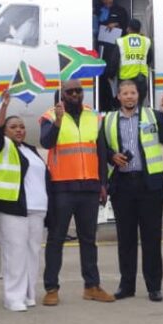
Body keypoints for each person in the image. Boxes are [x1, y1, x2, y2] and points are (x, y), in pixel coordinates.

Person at [39, 79, 116, 306]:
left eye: (79, 91)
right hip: (62, 187)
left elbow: (100, 151)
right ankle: (51, 288)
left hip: (89, 187)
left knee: (89, 240)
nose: (75, 94)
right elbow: (45, 142)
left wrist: (103, 183)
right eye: (70, 91)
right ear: (62, 94)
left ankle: (91, 286)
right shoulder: (50, 116)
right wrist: (58, 122)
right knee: (56, 239)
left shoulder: (94, 116)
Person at [99, 80, 163, 301]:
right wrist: (112, 156)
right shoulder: (108, 119)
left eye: (133, 93)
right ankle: (127, 285)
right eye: (125, 93)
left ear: (138, 95)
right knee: (126, 239)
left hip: (149, 184)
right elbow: (101, 148)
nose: (130, 96)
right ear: (118, 97)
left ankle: (154, 286)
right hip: (123, 185)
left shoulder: (153, 115)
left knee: (152, 238)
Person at [0, 90, 48, 311]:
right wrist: (4, 107)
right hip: (12, 208)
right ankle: (13, 297)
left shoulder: (30, 149)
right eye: (13, 127)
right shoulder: (1, 146)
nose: (19, 129)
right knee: (15, 254)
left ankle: (29, 294)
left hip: (37, 209)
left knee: (32, 254)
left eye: (21, 126)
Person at [95, 0, 128, 112]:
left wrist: (116, 25)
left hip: (115, 48)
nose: (107, 0)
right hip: (102, 47)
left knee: (112, 76)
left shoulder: (120, 11)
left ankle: (116, 105)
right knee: (103, 78)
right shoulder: (98, 11)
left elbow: (126, 27)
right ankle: (105, 105)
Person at [112, 18, 154, 106]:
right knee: (138, 108)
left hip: (125, 82)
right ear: (139, 29)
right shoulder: (146, 41)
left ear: (128, 29)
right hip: (141, 80)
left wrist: (110, 75)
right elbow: (149, 59)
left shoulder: (121, 41)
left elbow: (114, 62)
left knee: (126, 108)